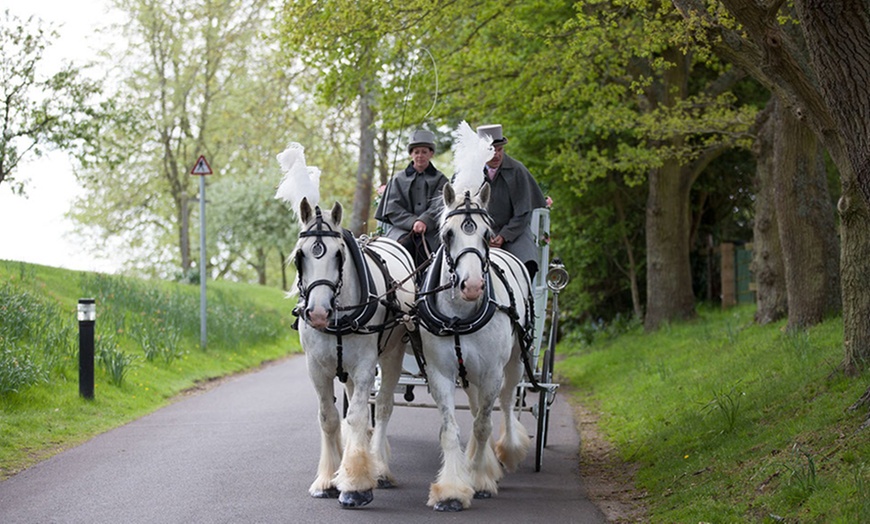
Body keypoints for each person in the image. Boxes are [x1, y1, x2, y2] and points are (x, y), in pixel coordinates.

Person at [477, 124, 547, 281]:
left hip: (514, 232)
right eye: (491, 150)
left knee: (527, 262)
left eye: (499, 149)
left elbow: (523, 212)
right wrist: (483, 235)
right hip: (478, 233)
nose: (496, 154)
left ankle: (525, 303)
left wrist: (503, 236)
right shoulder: (468, 171)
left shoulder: (518, 170)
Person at [375, 129, 448, 266]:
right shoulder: (397, 179)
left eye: (424, 152)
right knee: (400, 249)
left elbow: (440, 205)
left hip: (431, 232)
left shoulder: (441, 179)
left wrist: (425, 221)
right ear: (411, 154)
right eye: (416, 152)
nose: (420, 155)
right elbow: (392, 208)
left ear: (431, 154)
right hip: (401, 230)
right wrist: (412, 222)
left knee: (429, 252)